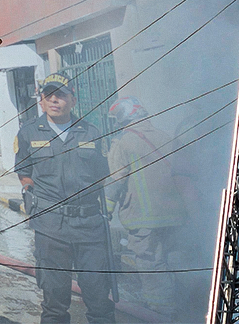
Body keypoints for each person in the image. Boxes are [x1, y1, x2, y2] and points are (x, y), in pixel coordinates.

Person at [16, 74, 114, 324]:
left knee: (100, 299)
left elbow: (103, 174)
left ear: (73, 99)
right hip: (51, 228)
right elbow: (24, 172)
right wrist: (30, 194)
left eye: (60, 95)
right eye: (48, 95)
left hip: (89, 226)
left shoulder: (90, 131)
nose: (54, 100)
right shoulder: (28, 132)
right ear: (41, 101)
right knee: (54, 302)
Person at [106, 96, 190, 320]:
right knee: (172, 259)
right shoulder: (166, 136)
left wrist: (106, 209)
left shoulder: (123, 142)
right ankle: (184, 306)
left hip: (143, 218)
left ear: (122, 118)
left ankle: (161, 312)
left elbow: (116, 180)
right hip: (175, 215)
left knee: (150, 263)